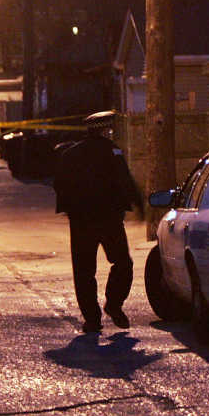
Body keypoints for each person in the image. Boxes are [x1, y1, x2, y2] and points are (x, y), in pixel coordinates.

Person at [54, 111, 143, 333]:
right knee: (123, 263)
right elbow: (125, 180)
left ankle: (92, 319)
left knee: (84, 271)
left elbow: (59, 184)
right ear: (105, 130)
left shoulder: (70, 154)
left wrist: (70, 209)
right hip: (109, 219)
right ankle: (113, 304)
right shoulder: (112, 151)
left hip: (81, 221)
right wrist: (139, 204)